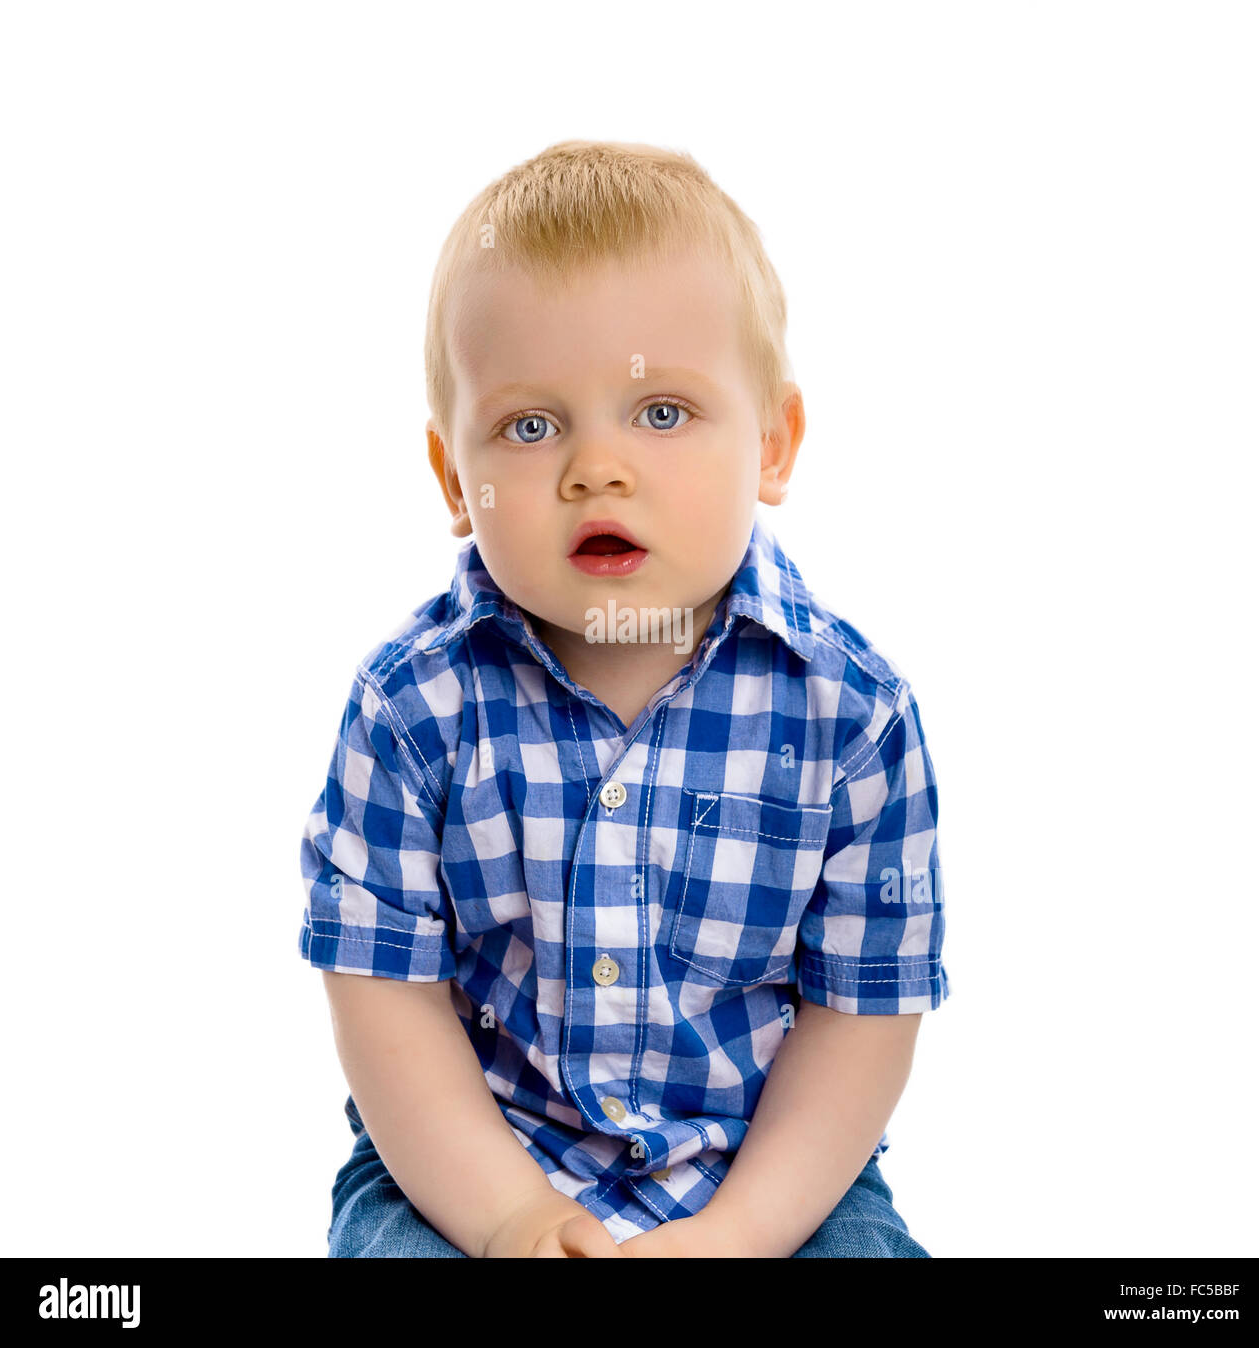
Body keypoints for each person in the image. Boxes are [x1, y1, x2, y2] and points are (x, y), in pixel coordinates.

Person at [299, 140, 950, 1258]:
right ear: (456, 480)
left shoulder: (851, 716)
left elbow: (861, 1015)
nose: (595, 468)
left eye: (659, 414)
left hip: (768, 1161)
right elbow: (382, 998)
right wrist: (507, 1216)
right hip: (465, 1153)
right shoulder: (411, 709)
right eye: (530, 425)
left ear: (772, 444)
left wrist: (742, 1231)